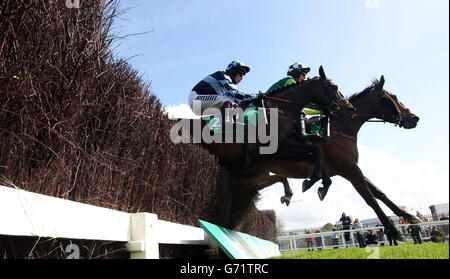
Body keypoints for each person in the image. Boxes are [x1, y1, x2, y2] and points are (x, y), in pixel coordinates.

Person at [266, 62, 323, 142]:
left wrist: (317, 111)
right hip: (271, 106)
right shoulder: (290, 81)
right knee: (299, 112)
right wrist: (318, 110)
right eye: (303, 74)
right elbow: (299, 105)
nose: (304, 77)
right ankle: (302, 134)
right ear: (296, 73)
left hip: (275, 105)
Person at [189, 60, 255, 116]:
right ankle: (226, 124)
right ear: (233, 71)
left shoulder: (225, 89)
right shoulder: (222, 75)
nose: (242, 78)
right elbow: (234, 92)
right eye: (241, 74)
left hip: (202, 105)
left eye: (244, 75)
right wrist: (256, 96)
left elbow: (238, 101)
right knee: (227, 101)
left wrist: (252, 103)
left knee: (234, 105)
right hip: (195, 99)